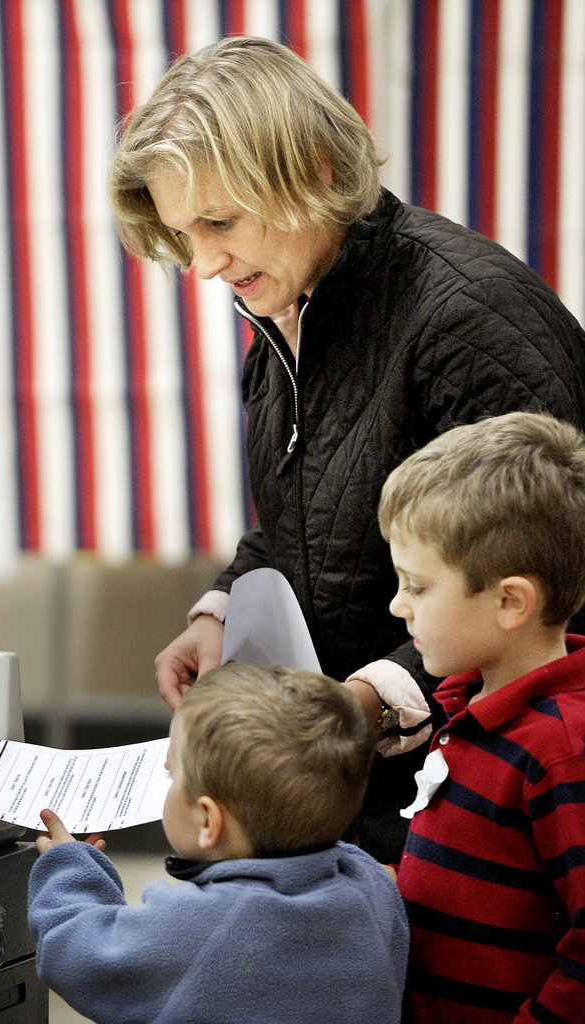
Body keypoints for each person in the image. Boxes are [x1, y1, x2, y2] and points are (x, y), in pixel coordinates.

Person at [107, 35, 585, 863]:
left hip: (487, 809)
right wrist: (218, 610)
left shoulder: (468, 319)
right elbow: (307, 514)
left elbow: (553, 583)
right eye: (186, 233)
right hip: (363, 799)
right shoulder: (288, 310)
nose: (204, 263)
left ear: (318, 173)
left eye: (219, 223)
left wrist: (363, 704)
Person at [28, 663, 409, 1024]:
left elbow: (76, 954)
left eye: (173, 772)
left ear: (208, 821)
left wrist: (71, 867)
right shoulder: (370, 885)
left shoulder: (198, 927)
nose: (163, 772)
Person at [377, 411, 585, 1023]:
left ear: (510, 601)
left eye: (416, 586)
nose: (397, 606)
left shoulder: (559, 751)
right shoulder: (471, 709)